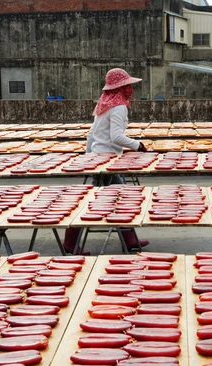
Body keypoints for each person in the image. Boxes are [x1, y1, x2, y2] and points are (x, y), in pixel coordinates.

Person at [63, 68, 149, 253]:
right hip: (108, 160)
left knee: (117, 197)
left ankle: (130, 239)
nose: (130, 89)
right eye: (127, 85)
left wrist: (89, 157)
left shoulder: (104, 104)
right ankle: (70, 242)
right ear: (121, 87)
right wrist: (138, 145)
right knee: (93, 201)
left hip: (99, 158)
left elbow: (91, 135)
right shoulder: (118, 107)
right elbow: (117, 136)